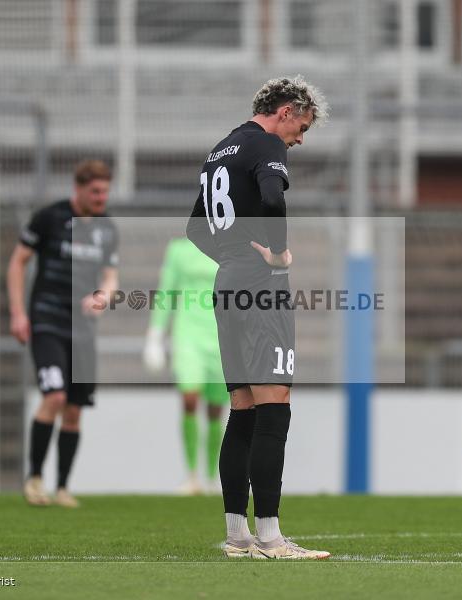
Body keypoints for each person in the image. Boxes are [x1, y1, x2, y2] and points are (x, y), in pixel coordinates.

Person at [186, 76, 330, 559]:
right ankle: (270, 537)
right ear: (287, 110)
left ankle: (236, 536)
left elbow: (193, 228)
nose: (300, 139)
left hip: (227, 282)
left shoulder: (220, 150)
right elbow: (273, 198)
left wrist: (231, 258)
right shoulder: (266, 143)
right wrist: (278, 255)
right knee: (275, 402)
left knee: (243, 408)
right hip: (260, 285)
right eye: (302, 126)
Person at [7, 160, 119, 508]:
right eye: (96, 191)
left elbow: (111, 276)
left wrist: (104, 295)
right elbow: (17, 262)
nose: (101, 197)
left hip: (82, 329)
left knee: (73, 410)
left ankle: (63, 487)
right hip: (47, 321)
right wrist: (18, 313)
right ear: (79, 189)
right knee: (53, 396)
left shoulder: (107, 229)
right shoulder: (49, 217)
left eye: (105, 191)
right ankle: (35, 478)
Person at [143, 237, 229, 495]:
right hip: (187, 335)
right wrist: (155, 335)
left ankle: (212, 477)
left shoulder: (232, 247)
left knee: (216, 409)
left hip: (221, 335)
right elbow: (166, 291)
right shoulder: (179, 250)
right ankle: (191, 475)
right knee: (189, 398)